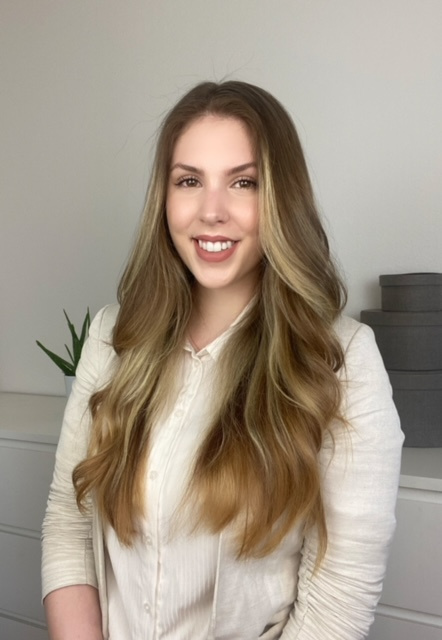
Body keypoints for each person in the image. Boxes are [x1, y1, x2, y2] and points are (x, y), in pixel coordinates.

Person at [41, 80, 404, 640]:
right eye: (189, 181)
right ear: (164, 198)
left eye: (243, 182)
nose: (211, 212)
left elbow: (338, 603)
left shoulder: (342, 360)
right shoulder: (112, 336)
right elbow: (69, 522)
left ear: (280, 197)